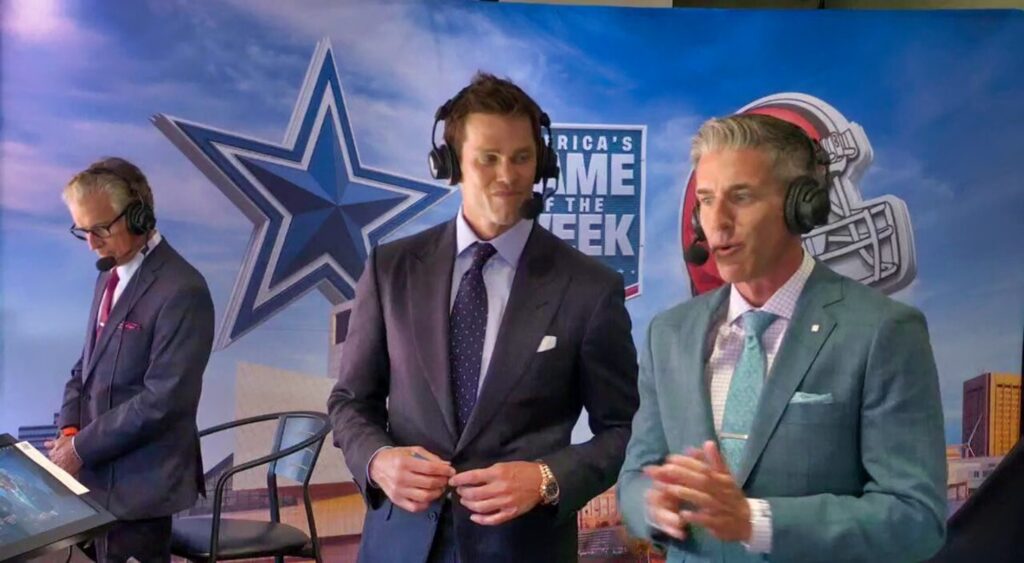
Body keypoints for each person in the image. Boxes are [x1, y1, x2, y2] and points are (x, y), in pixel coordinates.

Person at [328, 72, 639, 562]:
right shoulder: (390, 269)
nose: (508, 176)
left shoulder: (589, 288)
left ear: (542, 164)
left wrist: (546, 479)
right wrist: (378, 460)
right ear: (450, 166)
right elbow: (351, 402)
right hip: (399, 546)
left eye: (521, 158)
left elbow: (624, 430)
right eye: (488, 158)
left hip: (524, 547)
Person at [617, 114, 947, 562]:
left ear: (801, 207)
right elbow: (636, 476)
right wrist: (653, 508)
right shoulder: (668, 334)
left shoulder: (883, 332)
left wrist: (756, 522)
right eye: (707, 200)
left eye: (741, 197)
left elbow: (916, 519)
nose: (717, 222)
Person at [47, 157, 214, 562]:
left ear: (140, 215)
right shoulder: (109, 273)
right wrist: (70, 429)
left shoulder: (183, 290)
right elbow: (84, 367)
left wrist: (81, 448)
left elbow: (164, 400)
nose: (92, 243)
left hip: (141, 489)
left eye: (101, 228)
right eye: (83, 231)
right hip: (97, 478)